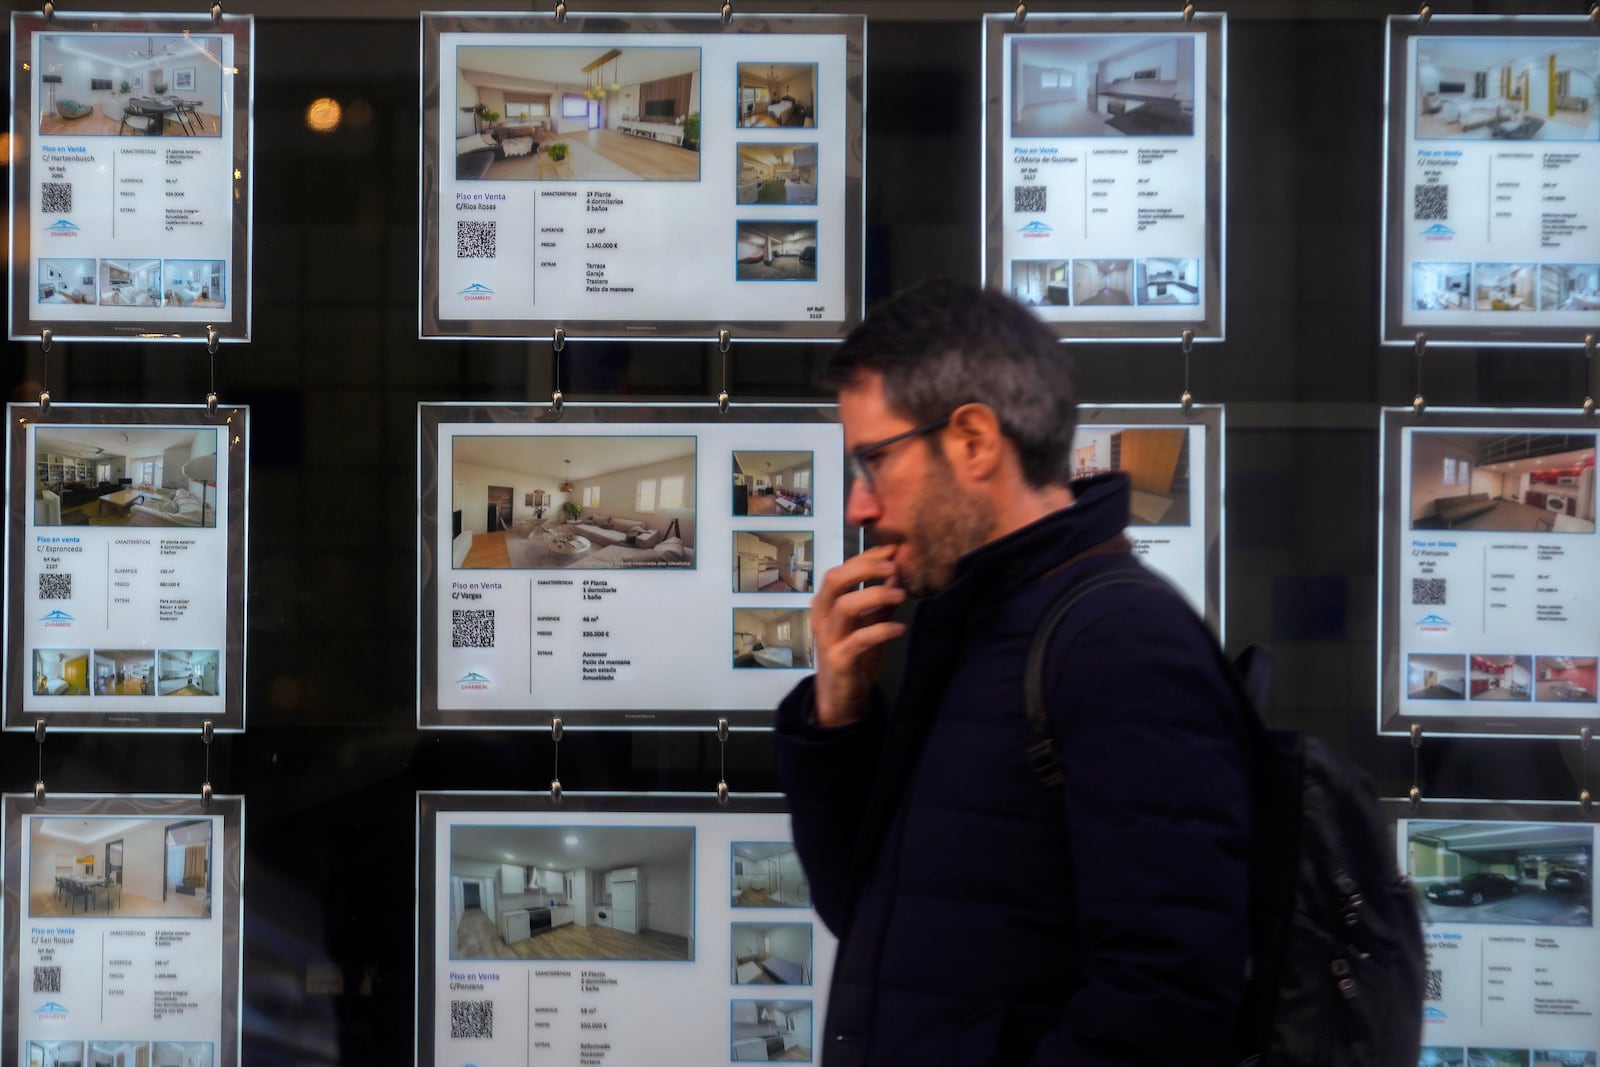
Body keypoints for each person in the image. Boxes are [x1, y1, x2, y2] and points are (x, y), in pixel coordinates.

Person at [775, 279, 1254, 1066]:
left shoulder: (1123, 643)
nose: (860, 503)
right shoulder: (973, 626)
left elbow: (1166, 1000)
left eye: (874, 459)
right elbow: (868, 915)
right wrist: (839, 716)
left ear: (972, 440)